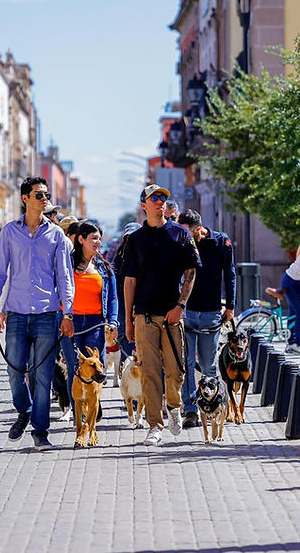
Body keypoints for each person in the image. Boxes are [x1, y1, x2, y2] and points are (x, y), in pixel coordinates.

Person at [0, 176, 75, 450]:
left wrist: (68, 313)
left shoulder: (56, 234)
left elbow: (64, 275)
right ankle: (23, 410)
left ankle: (40, 430)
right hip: (15, 313)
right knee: (14, 370)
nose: (45, 199)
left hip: (47, 314)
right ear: (25, 198)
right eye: (39, 194)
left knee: (43, 375)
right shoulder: (10, 233)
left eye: (46, 194)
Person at [123, 184, 201, 446]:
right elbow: (129, 281)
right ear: (143, 205)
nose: (159, 202)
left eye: (163, 198)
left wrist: (181, 306)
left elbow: (191, 273)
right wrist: (127, 320)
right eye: (153, 198)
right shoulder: (135, 240)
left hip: (172, 315)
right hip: (144, 315)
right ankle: (155, 425)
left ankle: (175, 406)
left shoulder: (180, 233)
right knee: (149, 372)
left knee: (175, 369)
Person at [176, 208, 236, 429]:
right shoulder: (182, 243)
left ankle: (216, 405)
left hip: (211, 312)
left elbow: (230, 274)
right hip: (188, 312)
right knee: (187, 364)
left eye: (186, 232)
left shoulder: (221, 242)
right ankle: (191, 410)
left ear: (198, 229)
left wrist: (230, 306)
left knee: (209, 366)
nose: (183, 236)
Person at [61, 221, 119, 395]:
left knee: (96, 367)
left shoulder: (105, 268)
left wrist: (113, 321)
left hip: (96, 323)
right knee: (75, 367)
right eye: (94, 238)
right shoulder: (66, 265)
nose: (98, 243)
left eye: (99, 239)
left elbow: (113, 298)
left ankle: (93, 405)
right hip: (71, 322)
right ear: (81, 239)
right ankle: (80, 413)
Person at [112, 222, 141, 360]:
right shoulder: (120, 257)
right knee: (124, 333)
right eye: (128, 238)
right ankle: (126, 366)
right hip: (123, 303)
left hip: (142, 303)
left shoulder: (147, 255)